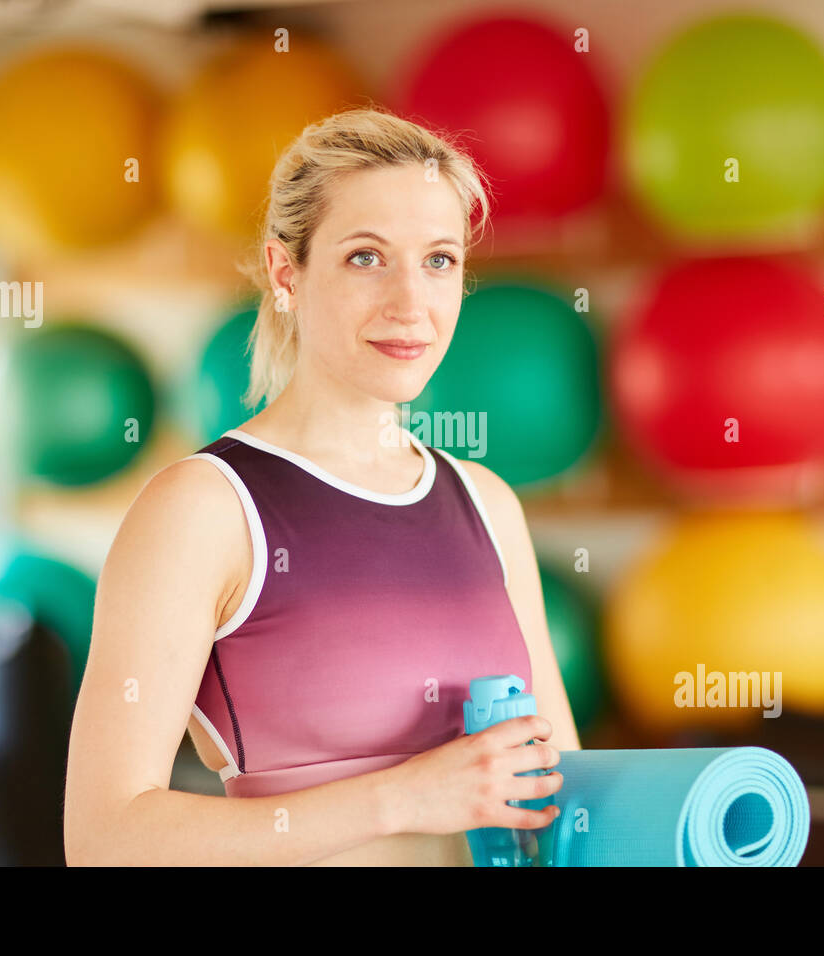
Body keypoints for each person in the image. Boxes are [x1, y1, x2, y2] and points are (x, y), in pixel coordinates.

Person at [64, 105, 581, 866]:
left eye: (439, 260)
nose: (411, 303)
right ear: (286, 273)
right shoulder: (204, 508)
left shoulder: (488, 505)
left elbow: (564, 788)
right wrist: (406, 796)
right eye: (366, 257)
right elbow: (104, 840)